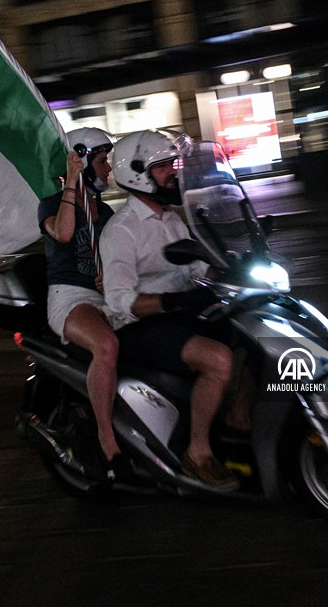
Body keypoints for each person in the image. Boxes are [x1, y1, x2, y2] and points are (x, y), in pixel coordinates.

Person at [99, 130, 240, 492]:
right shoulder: (122, 230)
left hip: (178, 316)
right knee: (219, 359)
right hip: (138, 328)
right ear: (136, 175)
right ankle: (198, 452)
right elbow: (119, 302)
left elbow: (196, 270)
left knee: (252, 337)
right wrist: (170, 302)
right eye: (162, 167)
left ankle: (240, 424)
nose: (172, 173)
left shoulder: (173, 220)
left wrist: (228, 270)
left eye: (172, 165)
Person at [38, 127, 123, 477]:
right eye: (101, 162)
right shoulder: (51, 204)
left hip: (106, 297)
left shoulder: (107, 215)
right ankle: (107, 438)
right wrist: (71, 182)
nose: (107, 169)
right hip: (70, 297)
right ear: (83, 161)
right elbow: (64, 233)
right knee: (106, 345)